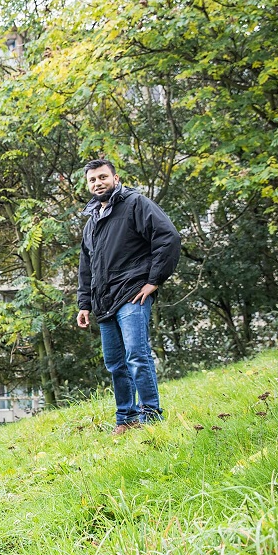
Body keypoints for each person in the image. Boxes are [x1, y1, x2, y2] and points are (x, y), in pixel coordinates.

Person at [77, 159, 181, 435]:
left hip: (133, 294)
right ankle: (126, 418)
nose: (98, 183)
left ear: (116, 178)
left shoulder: (136, 204)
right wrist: (84, 304)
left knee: (137, 354)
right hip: (104, 302)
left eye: (102, 177)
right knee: (115, 363)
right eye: (92, 180)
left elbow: (168, 237)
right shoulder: (91, 223)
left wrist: (153, 281)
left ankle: (151, 414)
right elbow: (86, 267)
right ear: (88, 185)